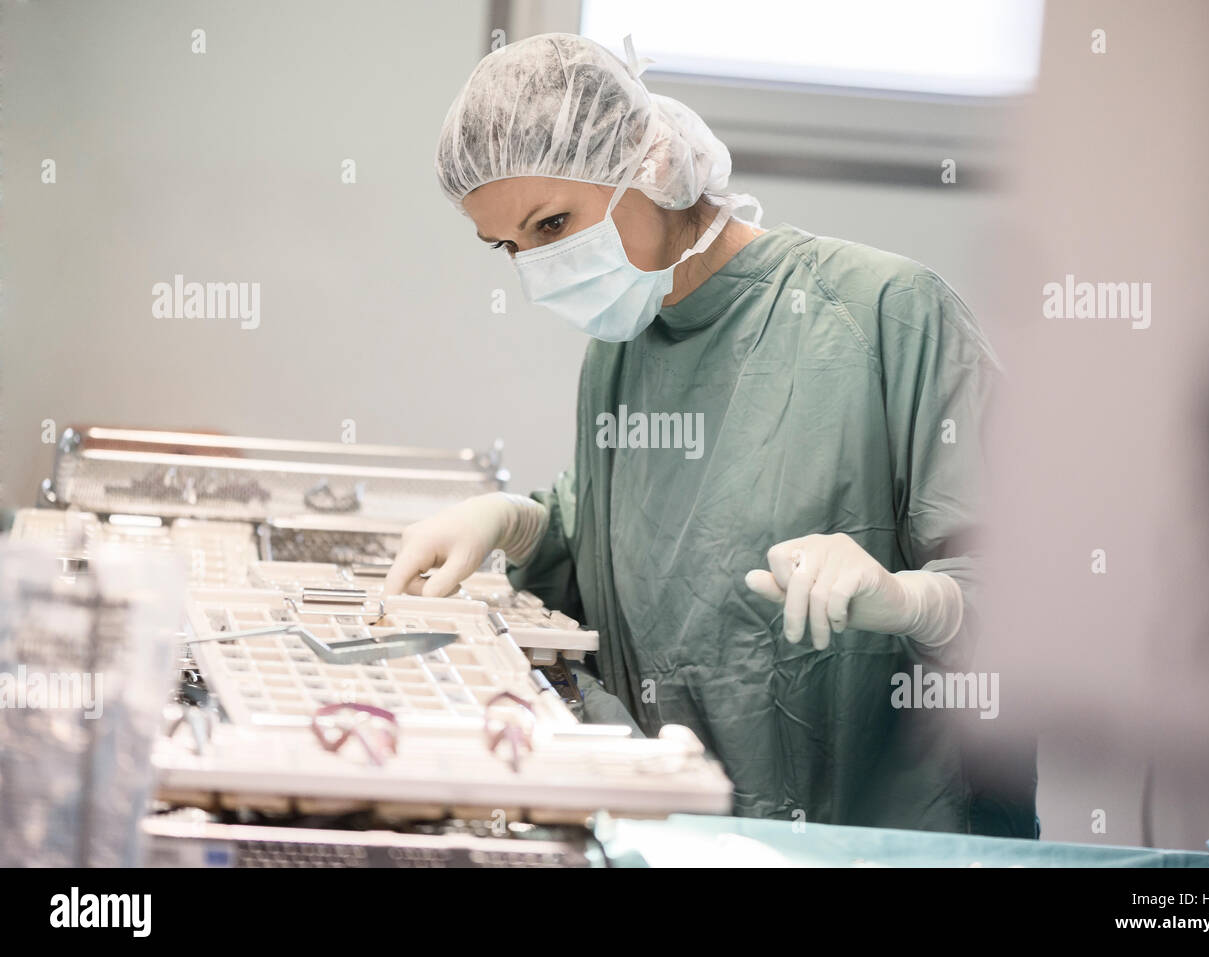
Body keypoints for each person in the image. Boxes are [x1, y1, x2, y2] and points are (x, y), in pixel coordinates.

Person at [385, 33, 1003, 832]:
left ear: (651, 163)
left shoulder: (888, 314)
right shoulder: (618, 352)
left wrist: (916, 602)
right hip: (677, 833)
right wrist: (520, 522)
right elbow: (628, 563)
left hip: (880, 842)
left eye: (553, 224)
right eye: (509, 246)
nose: (536, 267)